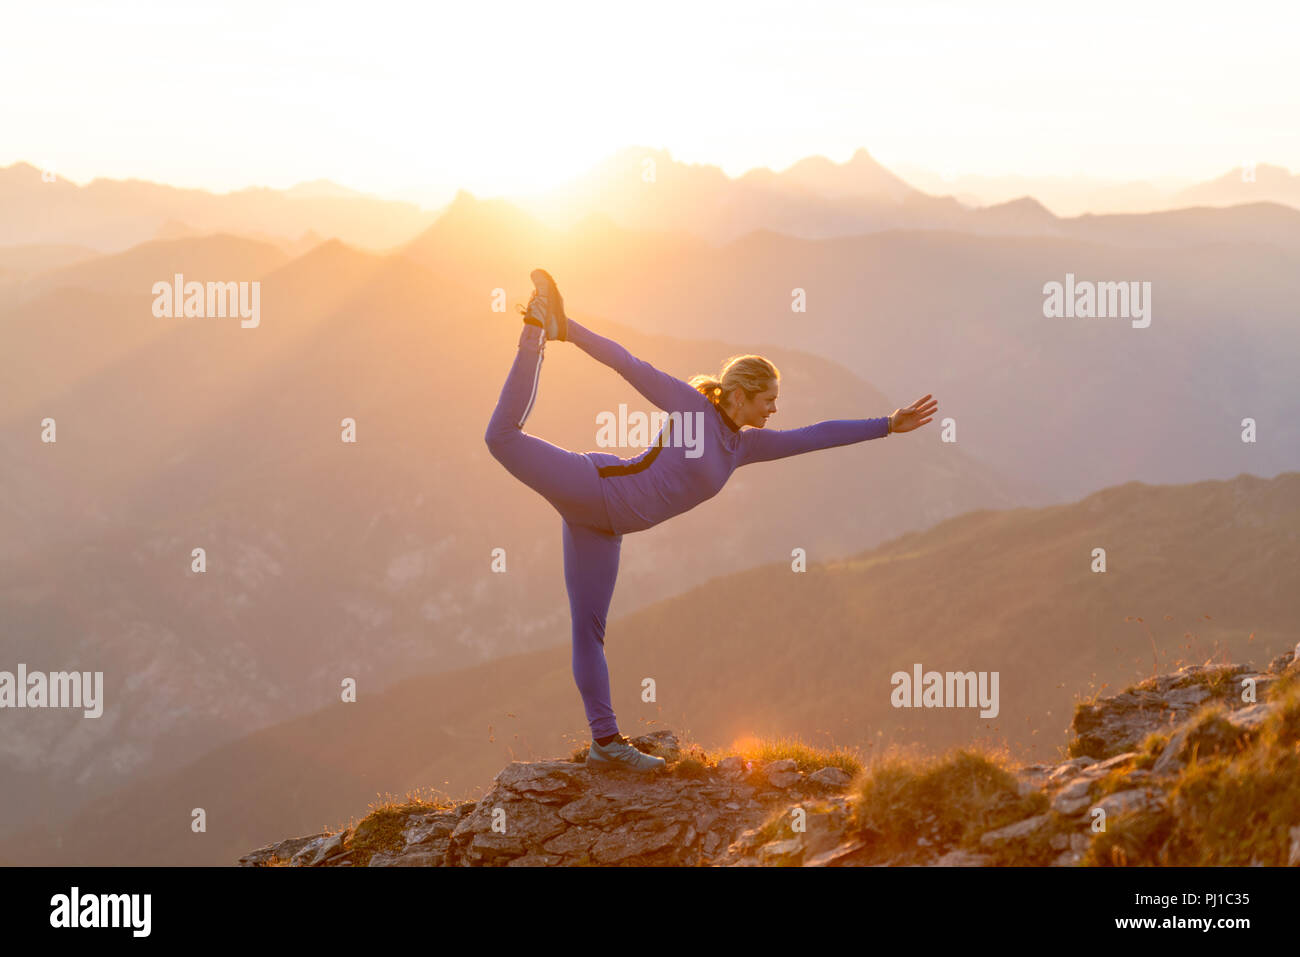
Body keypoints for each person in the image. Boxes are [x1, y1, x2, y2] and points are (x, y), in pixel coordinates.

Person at [484, 270, 937, 772]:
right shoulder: (691, 406)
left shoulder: (744, 447)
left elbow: (815, 435)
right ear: (739, 394)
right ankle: (537, 327)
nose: (774, 410)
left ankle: (606, 744)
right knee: (500, 437)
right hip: (594, 486)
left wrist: (887, 426)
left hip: (604, 527)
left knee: (589, 631)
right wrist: (567, 330)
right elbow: (627, 363)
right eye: (768, 401)